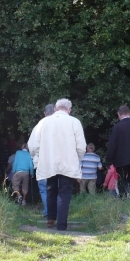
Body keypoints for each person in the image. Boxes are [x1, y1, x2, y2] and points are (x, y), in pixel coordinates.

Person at [28, 98, 86, 231]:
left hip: (49, 162)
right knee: (64, 193)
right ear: (69, 110)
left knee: (50, 189)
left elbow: (35, 145)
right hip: (68, 163)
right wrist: (76, 159)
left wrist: (42, 157)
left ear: (55, 108)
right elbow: (81, 146)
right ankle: (61, 225)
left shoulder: (43, 122)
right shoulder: (74, 122)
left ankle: (50, 219)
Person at [28, 104, 55, 217]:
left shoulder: (38, 126)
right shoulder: (59, 125)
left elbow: (31, 146)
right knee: (56, 189)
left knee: (44, 189)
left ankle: (48, 212)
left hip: (41, 164)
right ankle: (56, 212)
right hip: (56, 164)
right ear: (55, 111)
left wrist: (36, 156)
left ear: (44, 113)